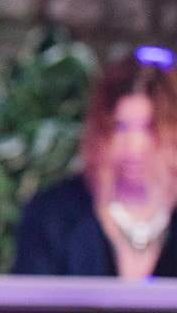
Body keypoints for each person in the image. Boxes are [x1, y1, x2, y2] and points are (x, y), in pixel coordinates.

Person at [13, 48, 177, 279]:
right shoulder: (52, 215)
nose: (134, 146)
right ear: (101, 130)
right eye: (121, 127)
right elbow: (26, 306)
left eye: (149, 128)